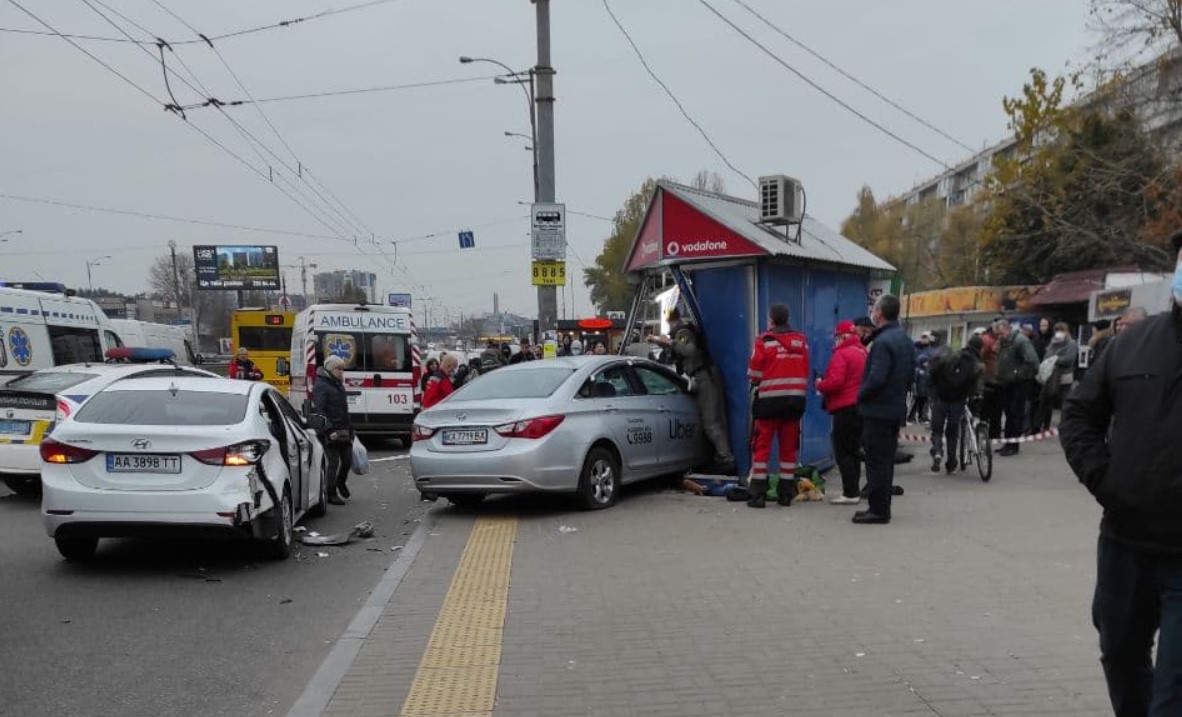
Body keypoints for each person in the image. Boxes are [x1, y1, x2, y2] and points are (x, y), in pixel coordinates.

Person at [1059, 229, 1182, 715]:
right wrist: (1106, 480)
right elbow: (1078, 416)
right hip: (1125, 543)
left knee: (1173, 690)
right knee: (1121, 656)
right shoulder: (1131, 346)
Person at [648, 307, 735, 474]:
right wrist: (659, 341)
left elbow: (689, 350)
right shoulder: (682, 331)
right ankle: (719, 457)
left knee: (712, 423)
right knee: (713, 421)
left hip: (704, 378)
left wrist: (669, 342)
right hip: (703, 377)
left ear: (670, 320)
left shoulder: (683, 331)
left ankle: (726, 459)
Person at [854, 295, 915, 525]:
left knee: (876, 460)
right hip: (895, 408)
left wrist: (859, 396)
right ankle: (881, 506)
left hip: (878, 410)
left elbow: (876, 378)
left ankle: (877, 510)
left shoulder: (882, 342)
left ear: (878, 313)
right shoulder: (905, 340)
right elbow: (909, 376)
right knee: (886, 459)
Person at [744, 303, 809, 509]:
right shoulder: (801, 341)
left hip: (769, 403)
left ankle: (758, 496)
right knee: (788, 450)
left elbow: (754, 374)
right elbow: (806, 368)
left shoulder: (764, 341)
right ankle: (785, 495)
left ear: (771, 320)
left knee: (762, 448)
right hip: (794, 403)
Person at [816, 319, 868, 504]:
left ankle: (850, 492)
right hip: (861, 406)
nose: (835, 340)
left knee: (842, 450)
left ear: (842, 336)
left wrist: (820, 384)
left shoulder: (842, 354)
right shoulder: (863, 352)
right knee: (853, 450)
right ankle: (853, 489)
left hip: (845, 407)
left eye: (837, 337)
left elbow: (836, 382)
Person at [927, 334, 984, 475]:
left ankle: (938, 450)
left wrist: (931, 392)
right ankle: (951, 463)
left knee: (937, 428)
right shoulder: (974, 362)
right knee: (952, 432)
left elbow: (933, 372)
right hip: (958, 400)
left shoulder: (950, 356)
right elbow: (975, 383)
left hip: (941, 397)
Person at [994, 318, 1039, 456]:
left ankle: (1013, 446)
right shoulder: (1004, 343)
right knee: (1008, 415)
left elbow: (1033, 362)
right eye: (998, 335)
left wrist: (1016, 374)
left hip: (1018, 383)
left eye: (1000, 333)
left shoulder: (1021, 341)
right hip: (1006, 383)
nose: (999, 337)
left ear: (1007, 329)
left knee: (1016, 415)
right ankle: (1007, 443)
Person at [312, 355, 353, 505]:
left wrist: (351, 428)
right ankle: (331, 492)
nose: (341, 372)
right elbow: (320, 410)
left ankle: (340, 482)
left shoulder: (338, 384)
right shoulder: (321, 386)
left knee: (348, 460)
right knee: (333, 463)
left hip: (344, 429)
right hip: (330, 431)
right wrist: (328, 429)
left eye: (343, 368)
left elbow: (343, 409)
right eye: (338, 368)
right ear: (330, 369)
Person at [1033, 322, 1077, 432]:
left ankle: (1065, 426)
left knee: (1064, 403)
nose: (1059, 333)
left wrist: (1055, 359)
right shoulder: (1053, 343)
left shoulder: (1072, 344)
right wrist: (1051, 359)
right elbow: (1046, 356)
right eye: (1057, 330)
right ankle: (1037, 426)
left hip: (1064, 377)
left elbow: (1069, 359)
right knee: (1044, 401)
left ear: (1067, 331)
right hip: (1050, 376)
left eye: (1061, 330)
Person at [908, 332, 934, 424]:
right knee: (916, 400)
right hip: (918, 378)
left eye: (926, 337)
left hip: (926, 380)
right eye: (922, 337)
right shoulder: (915, 349)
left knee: (925, 401)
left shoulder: (931, 350)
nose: (924, 339)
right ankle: (911, 416)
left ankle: (923, 416)